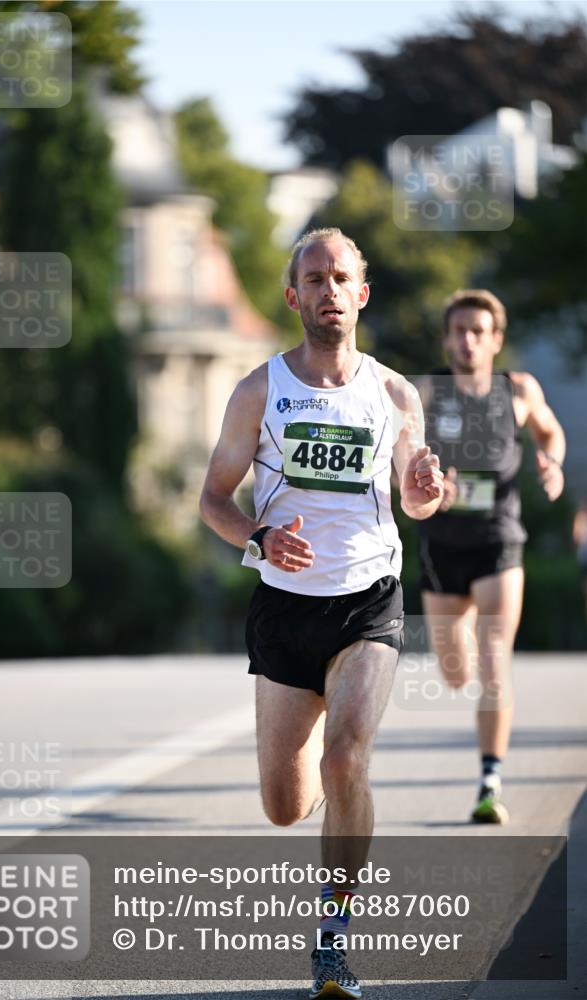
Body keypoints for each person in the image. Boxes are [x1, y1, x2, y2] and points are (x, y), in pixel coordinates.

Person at [199, 228, 444, 999]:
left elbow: (414, 495)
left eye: (341, 277)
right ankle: (319, 793)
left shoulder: (396, 394)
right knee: (283, 805)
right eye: (314, 278)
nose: (329, 290)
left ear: (361, 294)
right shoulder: (258, 390)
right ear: (292, 295)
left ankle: (332, 940)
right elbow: (212, 499)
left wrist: (427, 490)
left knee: (346, 759)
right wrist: (259, 537)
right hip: (283, 610)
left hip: (369, 599)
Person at [417, 289, 565, 824]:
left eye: (479, 331)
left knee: (494, 658)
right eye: (459, 330)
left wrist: (551, 460)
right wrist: (426, 479)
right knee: (455, 671)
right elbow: (400, 459)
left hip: (500, 539)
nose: (468, 340)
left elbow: (550, 431)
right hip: (441, 545)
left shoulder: (519, 389)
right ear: (446, 338)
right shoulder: (425, 394)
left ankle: (489, 780)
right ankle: (467, 629)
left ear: (496, 340)